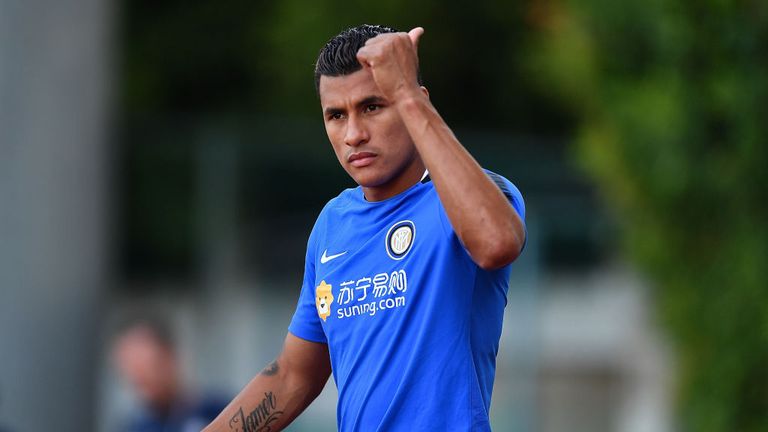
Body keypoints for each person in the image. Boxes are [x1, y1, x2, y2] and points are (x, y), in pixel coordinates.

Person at [204, 24, 526, 431]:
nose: (354, 134)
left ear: (416, 103)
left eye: (373, 106)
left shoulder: (476, 195)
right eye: (336, 115)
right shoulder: (331, 225)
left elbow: (497, 243)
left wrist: (406, 91)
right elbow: (294, 375)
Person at [111, 316, 228, 432]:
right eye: (132, 371)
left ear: (171, 357)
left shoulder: (218, 411)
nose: (141, 378)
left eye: (149, 366)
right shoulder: (134, 427)